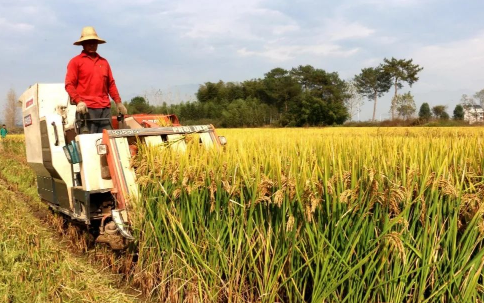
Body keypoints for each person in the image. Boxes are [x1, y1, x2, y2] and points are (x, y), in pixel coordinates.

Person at [65, 26, 127, 133]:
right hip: (86, 110)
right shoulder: (75, 62)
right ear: (83, 44)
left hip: (105, 110)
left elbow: (111, 84)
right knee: (88, 144)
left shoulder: (104, 62)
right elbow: (69, 84)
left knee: (108, 143)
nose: (92, 44)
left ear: (97, 43)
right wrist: (79, 102)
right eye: (88, 42)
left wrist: (118, 102)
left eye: (94, 42)